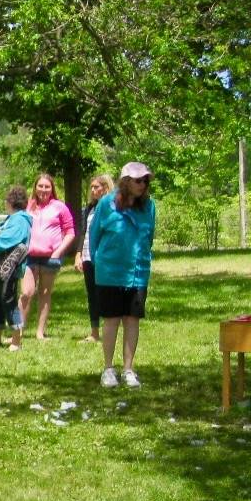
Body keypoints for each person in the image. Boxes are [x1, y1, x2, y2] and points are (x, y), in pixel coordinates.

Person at [91, 162, 157, 389]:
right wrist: (101, 262)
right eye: (138, 180)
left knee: (132, 320)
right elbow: (94, 237)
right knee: (111, 320)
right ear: (126, 181)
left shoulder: (149, 206)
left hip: (138, 272)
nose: (143, 185)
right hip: (109, 272)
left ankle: (128, 369)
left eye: (146, 180)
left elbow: (149, 238)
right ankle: (108, 369)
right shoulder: (106, 204)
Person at [17, 173, 76, 341]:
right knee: (26, 293)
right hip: (28, 257)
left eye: (47, 186)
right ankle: (17, 331)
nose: (43, 189)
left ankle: (40, 332)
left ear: (52, 189)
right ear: (35, 187)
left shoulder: (60, 207)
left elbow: (70, 232)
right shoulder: (27, 206)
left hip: (50, 257)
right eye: (40, 186)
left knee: (45, 294)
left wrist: (58, 252)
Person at [0, 186, 32, 350]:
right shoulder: (11, 218)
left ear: (11, 202)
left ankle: (16, 340)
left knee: (8, 300)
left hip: (9, 268)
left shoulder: (20, 220)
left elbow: (7, 240)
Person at [75, 173, 115, 341]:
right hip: (87, 255)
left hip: (103, 257)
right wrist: (78, 254)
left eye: (96, 187)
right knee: (92, 294)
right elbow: (83, 232)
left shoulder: (112, 207)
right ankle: (94, 332)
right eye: (91, 187)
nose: (92, 190)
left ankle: (109, 330)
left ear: (106, 188)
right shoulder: (89, 208)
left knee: (104, 293)